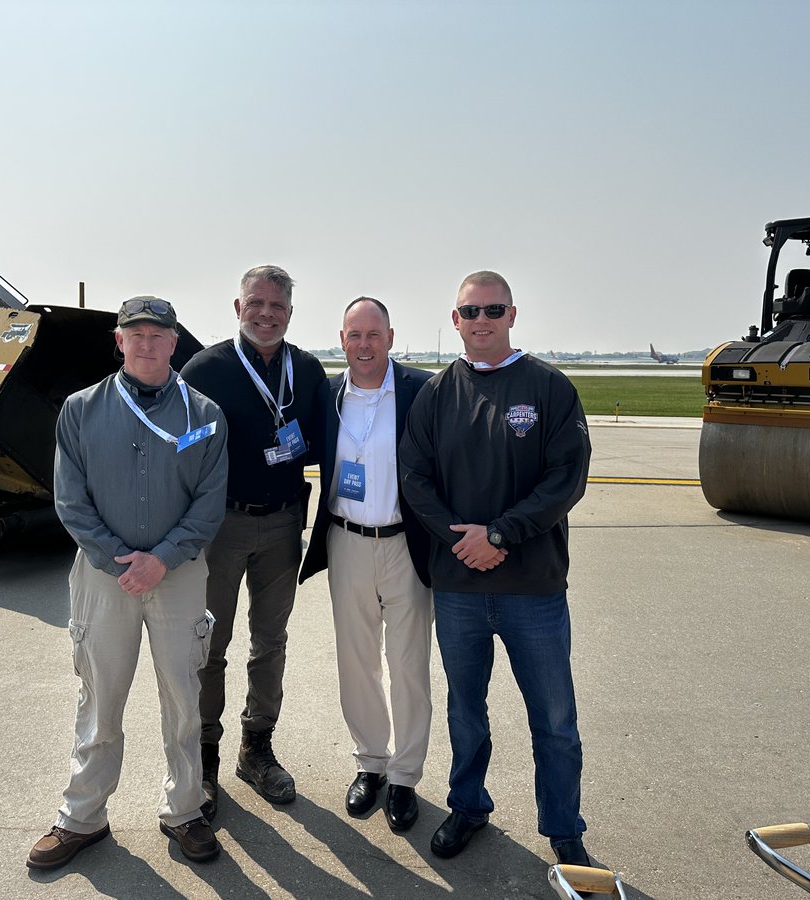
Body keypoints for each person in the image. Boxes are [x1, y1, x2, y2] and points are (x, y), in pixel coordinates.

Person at [397, 271, 595, 871]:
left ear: (512, 314)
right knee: (465, 711)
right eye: (469, 311)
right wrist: (462, 541)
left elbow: (567, 477)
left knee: (554, 720)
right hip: (459, 587)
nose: (480, 320)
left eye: (492, 310)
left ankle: (563, 829)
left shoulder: (549, 387)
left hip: (532, 588)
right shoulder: (437, 393)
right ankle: (467, 805)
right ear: (455, 320)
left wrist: (502, 533)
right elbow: (415, 477)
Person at [28, 296, 228, 870]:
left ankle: (184, 810)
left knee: (184, 699)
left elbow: (209, 503)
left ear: (174, 343)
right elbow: (70, 499)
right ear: (119, 341)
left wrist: (161, 559)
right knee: (99, 698)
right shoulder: (81, 410)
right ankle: (82, 817)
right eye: (135, 333)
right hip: (103, 576)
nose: (146, 343)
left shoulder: (205, 415)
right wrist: (121, 561)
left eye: (157, 334)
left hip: (179, 575)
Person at [179, 266, 331, 816]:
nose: (267, 314)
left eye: (278, 306)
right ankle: (205, 754)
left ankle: (257, 748)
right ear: (238, 307)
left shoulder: (307, 371)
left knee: (270, 641)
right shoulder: (205, 369)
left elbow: (328, 442)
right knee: (209, 643)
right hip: (221, 526)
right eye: (257, 303)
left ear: (290, 313)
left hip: (284, 523)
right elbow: (180, 449)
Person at [298, 297, 433, 833]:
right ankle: (371, 763)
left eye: (374, 334)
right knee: (356, 661)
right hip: (347, 541)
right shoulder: (328, 395)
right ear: (342, 339)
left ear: (391, 338)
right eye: (354, 335)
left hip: (405, 544)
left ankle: (405, 776)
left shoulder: (422, 390)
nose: (364, 345)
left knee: (408, 663)